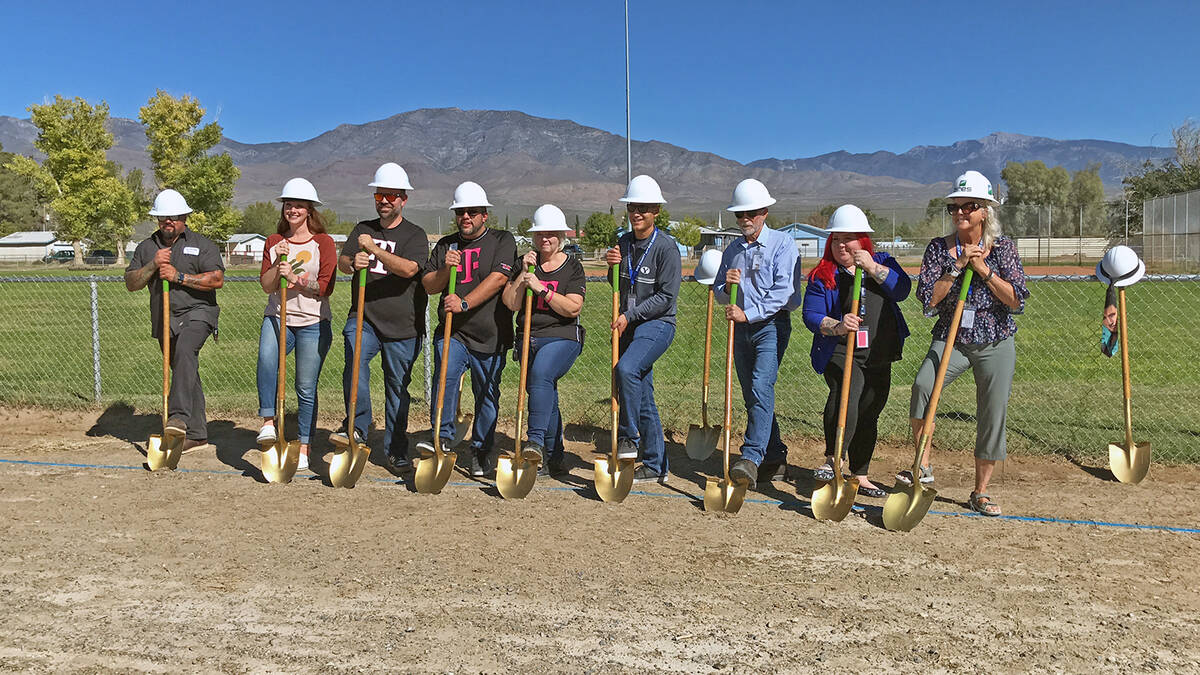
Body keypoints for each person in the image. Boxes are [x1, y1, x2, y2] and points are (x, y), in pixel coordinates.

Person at [906, 170, 1030, 516]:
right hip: (952, 339)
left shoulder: (1003, 249)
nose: (960, 213)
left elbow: (1017, 300)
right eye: (955, 207)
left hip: (995, 340)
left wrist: (985, 271)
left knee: (993, 412)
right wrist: (958, 266)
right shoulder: (938, 249)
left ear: (984, 211)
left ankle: (981, 491)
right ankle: (923, 467)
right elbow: (928, 299)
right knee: (922, 387)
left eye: (969, 206)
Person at [801, 204, 910, 498]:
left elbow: (902, 289)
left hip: (878, 352)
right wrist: (836, 325)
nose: (841, 245)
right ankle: (832, 460)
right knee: (846, 393)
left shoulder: (884, 263)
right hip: (840, 349)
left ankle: (860, 475)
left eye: (847, 239)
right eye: (835, 239)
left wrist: (872, 268)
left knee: (870, 410)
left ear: (863, 241)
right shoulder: (823, 274)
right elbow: (810, 315)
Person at [333, 163, 429, 473]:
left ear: (403, 199)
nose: (383, 201)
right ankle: (358, 425)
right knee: (355, 355)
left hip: (404, 326)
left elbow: (410, 269)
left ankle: (396, 449)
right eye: (379, 195)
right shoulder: (363, 228)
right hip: (365, 317)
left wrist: (374, 250)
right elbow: (343, 262)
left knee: (397, 388)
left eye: (390, 195)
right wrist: (353, 261)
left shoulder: (414, 234)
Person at [421, 181, 517, 477]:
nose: (466, 217)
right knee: (445, 380)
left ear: (484, 215)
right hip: (453, 333)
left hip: (491, 334)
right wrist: (446, 270)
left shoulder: (502, 240)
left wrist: (464, 302)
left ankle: (481, 449)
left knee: (486, 394)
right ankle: (444, 438)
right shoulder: (446, 245)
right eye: (461, 212)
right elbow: (428, 285)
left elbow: (499, 279)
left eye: (472, 212)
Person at [711, 179, 798, 489]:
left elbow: (782, 292)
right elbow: (719, 292)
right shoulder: (732, 250)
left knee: (761, 386)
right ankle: (774, 455)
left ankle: (750, 457)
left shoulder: (783, 244)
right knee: (753, 394)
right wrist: (726, 286)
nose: (745, 220)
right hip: (740, 327)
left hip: (771, 326)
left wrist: (748, 313)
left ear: (764, 212)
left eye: (752, 213)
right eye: (740, 215)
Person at [124, 189, 224, 454]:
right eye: (163, 217)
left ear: (185, 217)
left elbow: (217, 279)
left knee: (184, 352)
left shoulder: (202, 245)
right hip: (164, 318)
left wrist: (178, 276)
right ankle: (198, 434)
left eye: (175, 217)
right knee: (185, 370)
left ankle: (178, 417)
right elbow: (131, 283)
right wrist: (153, 266)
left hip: (198, 313)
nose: (169, 222)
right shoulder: (147, 248)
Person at [254, 178, 336, 471]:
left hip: (313, 322)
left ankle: (304, 445)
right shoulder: (275, 242)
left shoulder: (323, 243)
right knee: (266, 361)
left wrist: (298, 279)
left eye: (299, 205)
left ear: (309, 210)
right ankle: (267, 422)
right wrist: (278, 267)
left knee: (305, 386)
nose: (293, 210)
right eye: (289, 205)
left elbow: (327, 287)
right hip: (278, 317)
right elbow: (266, 286)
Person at [604, 175, 681, 484]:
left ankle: (628, 437)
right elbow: (618, 286)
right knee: (641, 392)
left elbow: (666, 297)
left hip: (657, 324)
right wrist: (613, 268)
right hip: (629, 323)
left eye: (644, 209)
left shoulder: (666, 248)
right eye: (633, 207)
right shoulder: (623, 243)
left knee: (626, 370)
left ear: (656, 212)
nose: (637, 214)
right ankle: (655, 463)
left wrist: (630, 315)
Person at [501, 204, 586, 477]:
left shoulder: (573, 267)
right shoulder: (525, 262)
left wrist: (542, 290)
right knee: (543, 392)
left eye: (551, 234)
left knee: (541, 376)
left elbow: (573, 308)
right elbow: (511, 303)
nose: (545, 239)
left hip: (562, 336)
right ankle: (555, 457)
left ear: (561, 236)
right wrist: (523, 278)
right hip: (528, 336)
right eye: (540, 234)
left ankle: (534, 442)